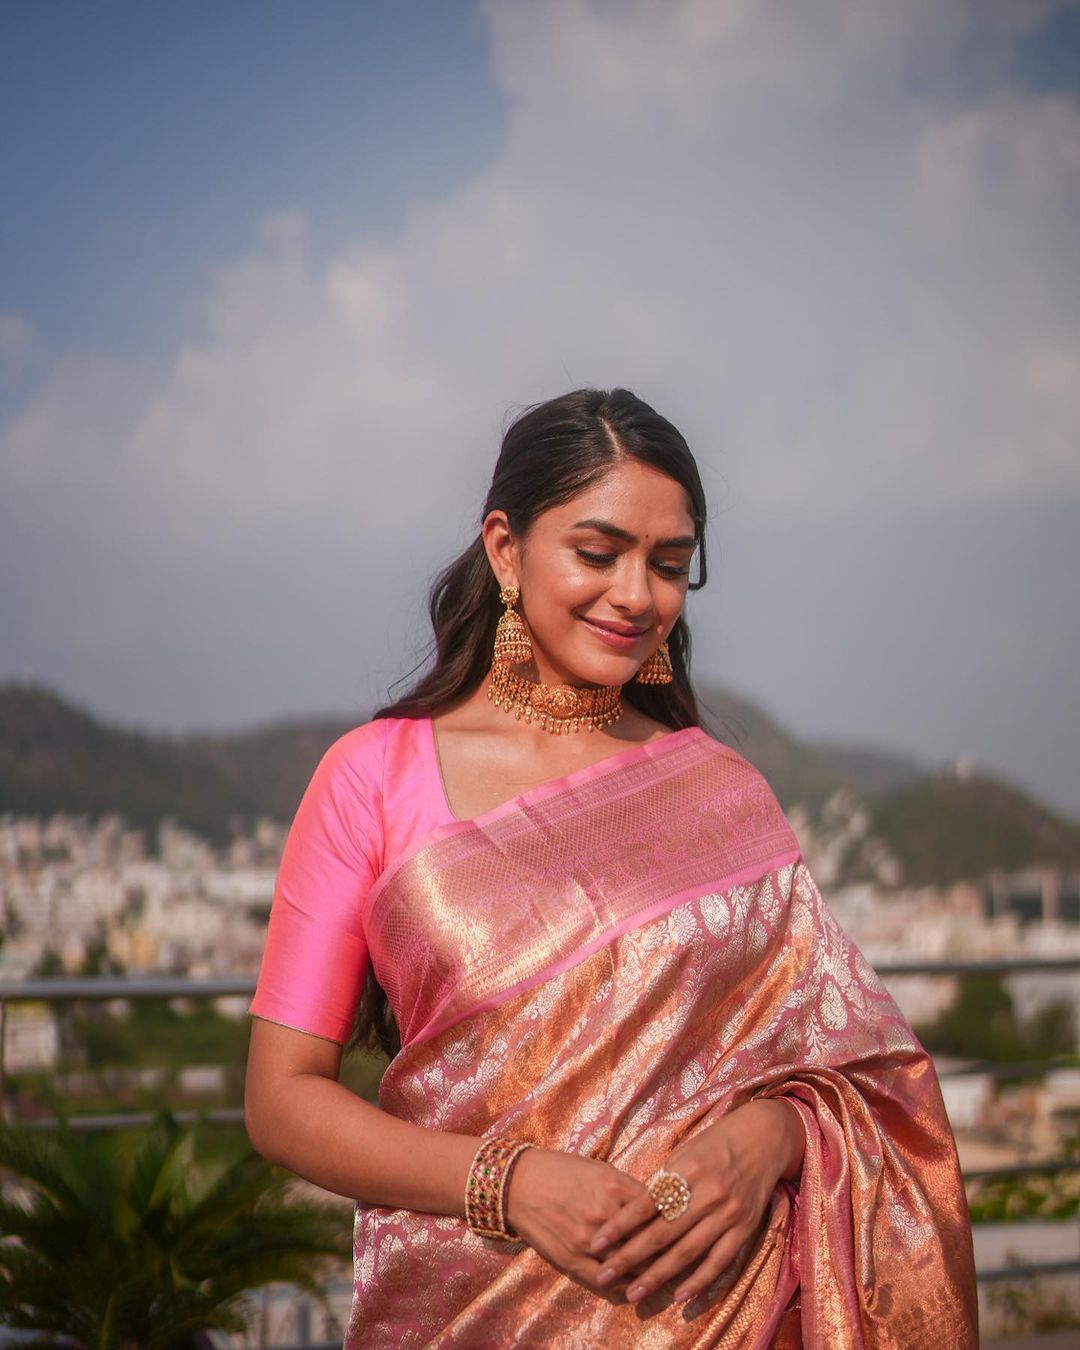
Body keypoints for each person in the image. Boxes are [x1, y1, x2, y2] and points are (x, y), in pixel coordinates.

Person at [245, 388, 977, 1348]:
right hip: (473, 1312)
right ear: (505, 548)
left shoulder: (721, 789)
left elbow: (870, 1076)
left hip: (733, 1314)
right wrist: (509, 1180)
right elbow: (282, 1098)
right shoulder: (372, 779)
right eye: (598, 553)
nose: (637, 596)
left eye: (669, 566)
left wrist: (778, 1139)